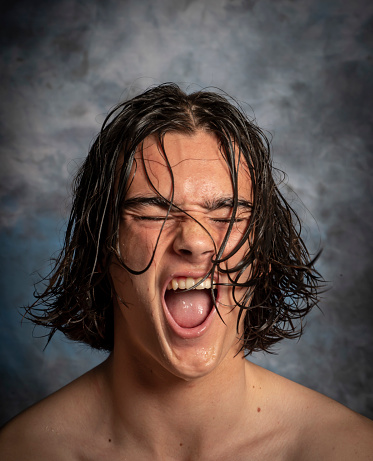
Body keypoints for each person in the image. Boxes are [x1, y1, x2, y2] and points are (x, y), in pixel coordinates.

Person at [1, 83, 372, 460]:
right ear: (101, 249)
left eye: (227, 213)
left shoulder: (351, 450)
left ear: (261, 252)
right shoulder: (22, 451)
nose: (195, 240)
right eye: (153, 211)